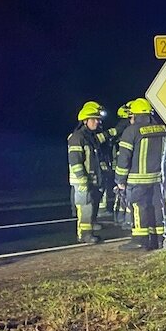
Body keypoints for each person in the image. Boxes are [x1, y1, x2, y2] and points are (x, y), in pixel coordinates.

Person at [114, 98, 166, 251]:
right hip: (157, 179)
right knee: (157, 207)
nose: (130, 120)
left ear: (135, 116)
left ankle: (140, 240)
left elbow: (124, 158)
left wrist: (120, 180)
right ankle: (157, 239)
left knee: (139, 208)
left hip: (137, 180)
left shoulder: (131, 131)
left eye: (130, 117)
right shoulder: (162, 129)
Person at [67, 101, 108, 244]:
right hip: (82, 181)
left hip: (93, 179)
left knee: (91, 206)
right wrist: (82, 179)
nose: (97, 122)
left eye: (98, 119)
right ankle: (84, 235)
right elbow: (75, 161)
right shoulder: (77, 138)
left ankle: (89, 230)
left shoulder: (90, 137)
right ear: (85, 121)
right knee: (85, 208)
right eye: (94, 119)